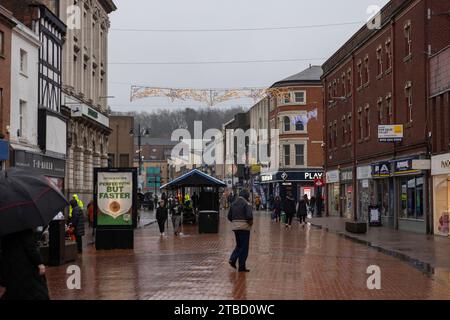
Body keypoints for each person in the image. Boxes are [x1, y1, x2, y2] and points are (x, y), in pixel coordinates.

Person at [0, 229, 50, 300]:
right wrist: (39, 262)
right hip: (25, 267)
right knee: (36, 292)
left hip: (10, 267)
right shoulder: (23, 226)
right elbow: (30, 247)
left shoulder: (4, 228)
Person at [227, 189, 253, 273]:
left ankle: (233, 260)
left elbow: (229, 216)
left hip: (235, 228)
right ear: (246, 196)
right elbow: (249, 216)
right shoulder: (247, 204)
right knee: (244, 247)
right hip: (244, 228)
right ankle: (241, 266)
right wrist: (250, 223)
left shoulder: (233, 203)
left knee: (239, 245)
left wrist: (235, 222)